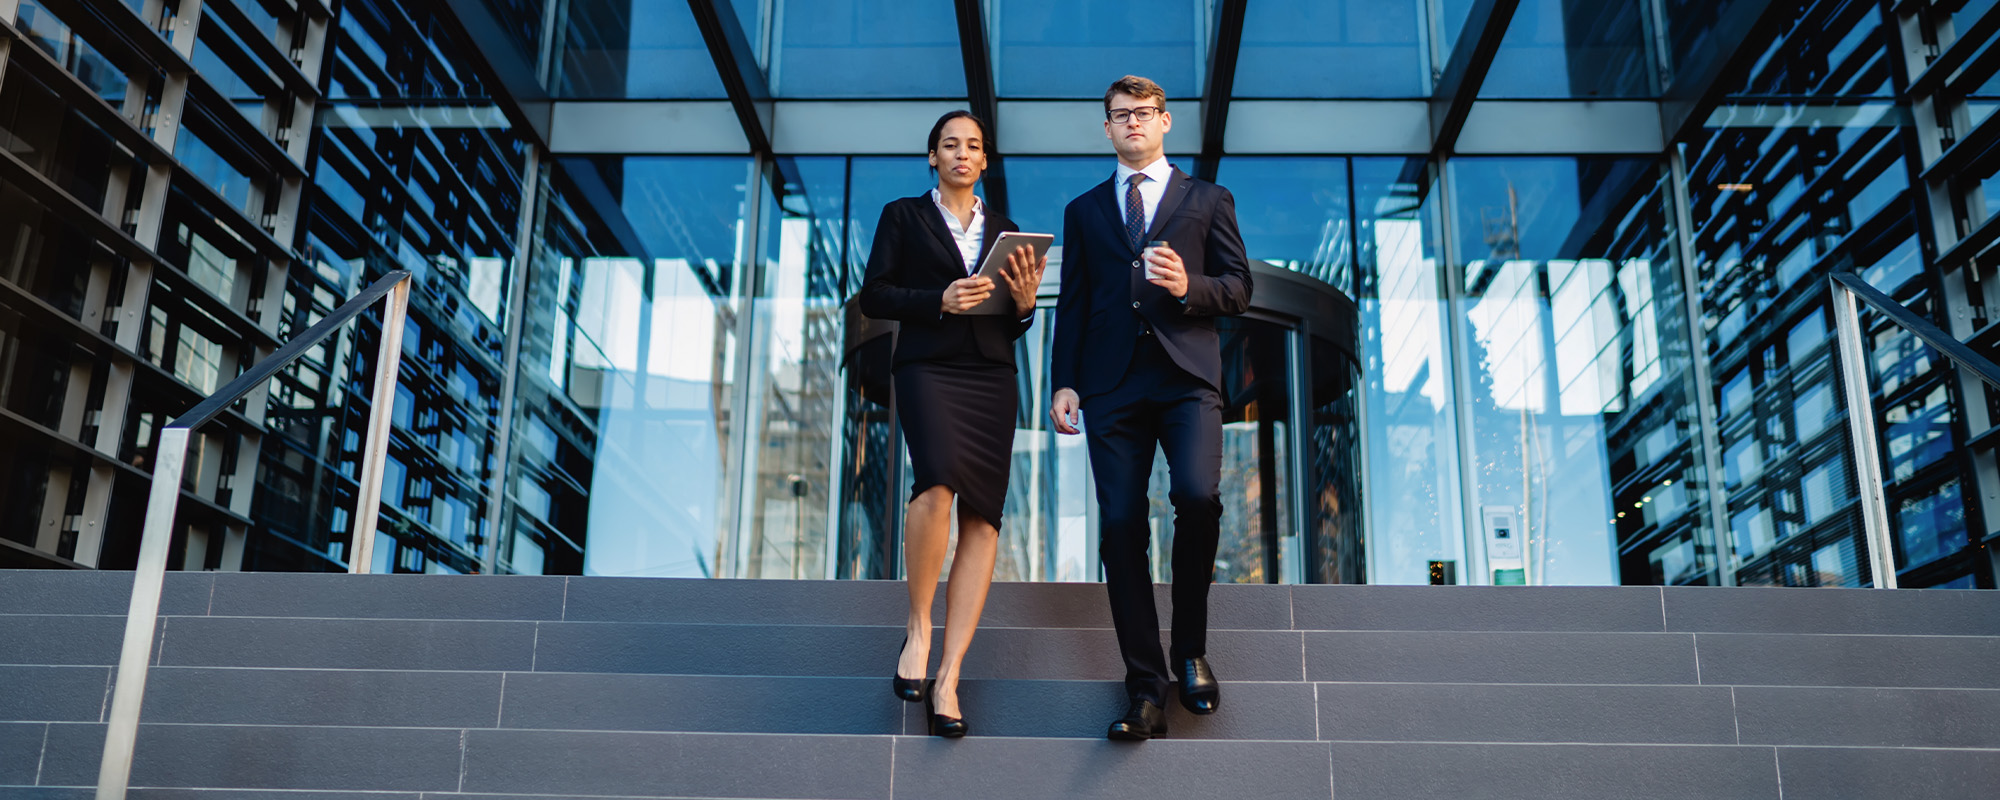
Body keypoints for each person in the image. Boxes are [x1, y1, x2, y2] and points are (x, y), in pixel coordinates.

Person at [1048, 75, 1253, 741]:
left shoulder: (1208, 198)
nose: (1132, 122)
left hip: (1187, 377)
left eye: (1144, 113)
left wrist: (1190, 286)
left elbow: (1238, 287)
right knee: (1120, 526)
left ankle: (1188, 649)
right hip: (1111, 386)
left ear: (1166, 123)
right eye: (1120, 115)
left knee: (1197, 497)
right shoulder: (1083, 211)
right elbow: (1073, 303)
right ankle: (1144, 686)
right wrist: (1064, 381)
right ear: (1106, 129)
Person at [858, 110, 1046, 739]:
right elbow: (875, 294)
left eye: (973, 146)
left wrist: (1022, 306)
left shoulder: (1007, 230)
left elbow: (1012, 320)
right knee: (936, 481)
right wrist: (936, 299)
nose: (962, 154)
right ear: (932, 157)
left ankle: (950, 678)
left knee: (984, 519)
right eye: (949, 145)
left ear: (986, 160)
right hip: (928, 370)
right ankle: (918, 628)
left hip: (992, 377)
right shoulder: (903, 216)